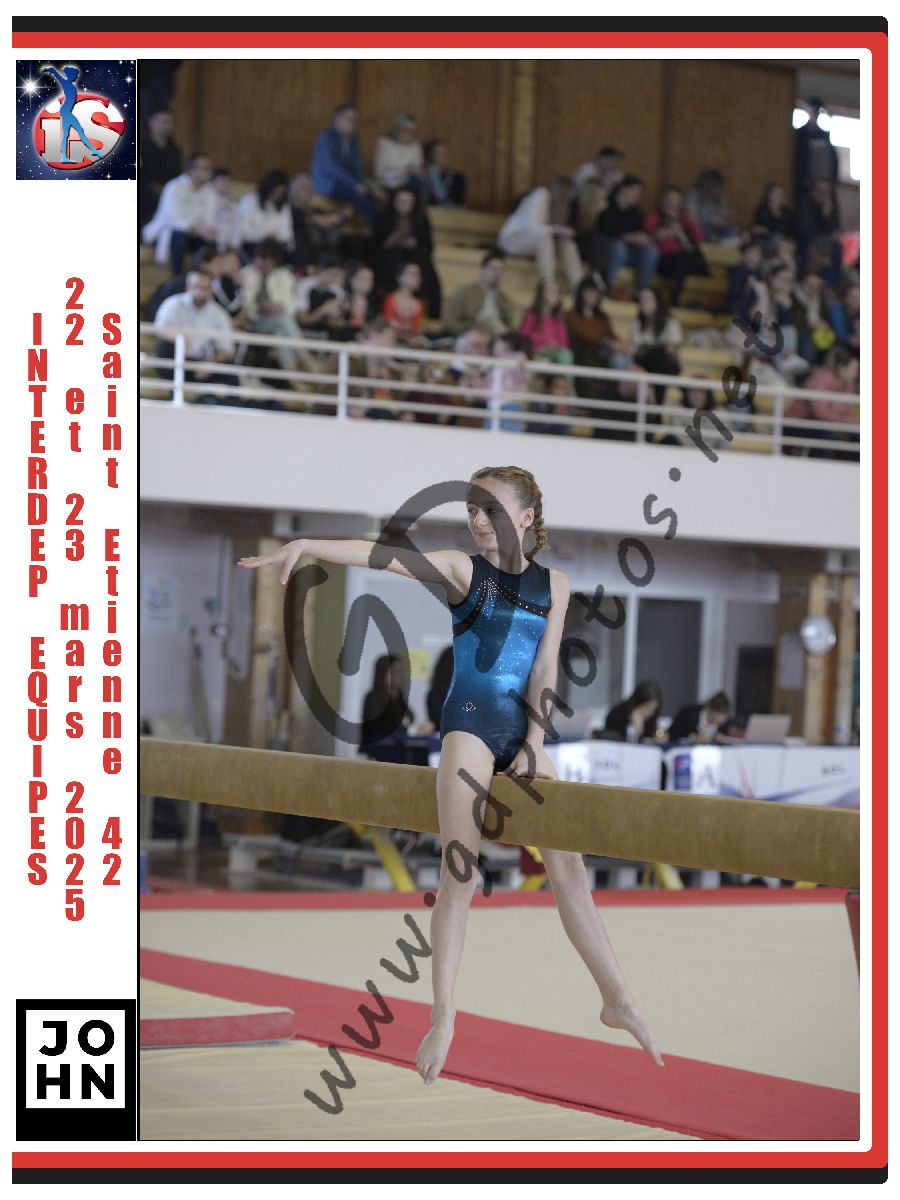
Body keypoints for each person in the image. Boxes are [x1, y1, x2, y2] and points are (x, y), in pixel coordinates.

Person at [237, 466, 664, 1085]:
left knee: (570, 868)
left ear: (526, 518)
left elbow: (546, 669)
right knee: (459, 872)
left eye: (492, 510)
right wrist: (307, 546)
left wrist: (534, 744)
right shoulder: (464, 570)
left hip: (523, 733)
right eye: (472, 509)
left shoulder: (556, 584)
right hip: (469, 725)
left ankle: (616, 999)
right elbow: (383, 556)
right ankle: (443, 1015)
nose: (477, 520)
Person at [153, 270, 236, 401]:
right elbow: (160, 328)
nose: (199, 291)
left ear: (211, 289)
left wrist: (210, 362)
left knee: (231, 369)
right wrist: (180, 339)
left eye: (204, 287)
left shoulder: (219, 314)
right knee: (166, 347)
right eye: (196, 286)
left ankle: (233, 405)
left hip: (203, 363)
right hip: (176, 359)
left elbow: (227, 349)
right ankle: (174, 399)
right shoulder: (173, 303)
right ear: (188, 286)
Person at [239, 239, 311, 390]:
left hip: (276, 322)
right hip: (253, 322)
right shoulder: (246, 273)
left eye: (269, 260)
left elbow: (290, 307)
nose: (264, 263)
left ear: (275, 261)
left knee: (280, 330)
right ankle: (307, 359)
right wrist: (260, 308)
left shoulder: (284, 275)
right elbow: (244, 304)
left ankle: (294, 379)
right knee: (283, 321)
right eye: (261, 258)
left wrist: (278, 307)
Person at [497, 180, 584, 291]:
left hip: (533, 241)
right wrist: (557, 229)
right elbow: (531, 227)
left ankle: (579, 286)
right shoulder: (540, 195)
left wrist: (560, 231)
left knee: (566, 241)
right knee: (544, 237)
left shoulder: (555, 209)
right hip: (513, 238)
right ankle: (549, 285)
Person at [141, 152, 219, 273]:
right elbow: (173, 219)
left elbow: (209, 219)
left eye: (210, 168)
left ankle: (202, 277)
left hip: (195, 234)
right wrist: (198, 230)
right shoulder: (174, 187)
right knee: (179, 236)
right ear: (191, 170)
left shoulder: (210, 192)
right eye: (205, 168)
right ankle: (177, 276)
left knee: (211, 242)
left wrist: (209, 230)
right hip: (166, 233)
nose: (209, 172)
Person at [372, 186, 442, 318]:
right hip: (388, 259)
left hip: (415, 258)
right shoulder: (384, 217)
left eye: (409, 202)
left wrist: (414, 244)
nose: (405, 205)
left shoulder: (421, 219)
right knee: (393, 257)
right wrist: (392, 241)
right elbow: (374, 245)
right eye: (402, 201)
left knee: (423, 264)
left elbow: (429, 247)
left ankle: (425, 308)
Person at [310, 102, 375, 221]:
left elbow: (357, 164)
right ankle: (376, 230)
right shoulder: (326, 138)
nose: (354, 123)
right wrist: (354, 184)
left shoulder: (353, 139)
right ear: (337, 120)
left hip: (346, 183)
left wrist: (361, 182)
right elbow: (332, 168)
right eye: (350, 119)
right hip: (330, 183)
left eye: (355, 120)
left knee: (372, 195)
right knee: (361, 199)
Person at [644, 186, 708, 305]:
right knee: (685, 259)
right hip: (663, 259)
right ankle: (673, 298)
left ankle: (675, 296)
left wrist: (692, 221)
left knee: (687, 258)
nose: (672, 202)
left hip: (683, 260)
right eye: (670, 199)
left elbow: (700, 239)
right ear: (663, 200)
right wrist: (669, 232)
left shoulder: (684, 219)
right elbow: (649, 236)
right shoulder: (654, 216)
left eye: (676, 200)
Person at [596, 175, 659, 296]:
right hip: (607, 250)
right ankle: (607, 287)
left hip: (629, 253)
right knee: (619, 247)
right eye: (635, 192)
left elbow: (639, 232)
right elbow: (603, 229)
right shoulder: (607, 204)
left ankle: (640, 292)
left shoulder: (636, 212)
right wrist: (628, 237)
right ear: (624, 188)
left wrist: (642, 238)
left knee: (651, 251)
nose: (638, 196)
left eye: (640, 194)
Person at [444, 250, 516, 336]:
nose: (497, 273)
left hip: (495, 338)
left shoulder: (505, 300)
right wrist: (474, 329)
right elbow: (450, 323)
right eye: (493, 268)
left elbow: (511, 328)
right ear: (483, 269)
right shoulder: (465, 293)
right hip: (469, 335)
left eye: (501, 269)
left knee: (495, 325)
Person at [287, 171, 346, 269]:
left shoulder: (314, 209)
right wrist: (316, 220)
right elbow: (299, 219)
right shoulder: (288, 210)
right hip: (303, 250)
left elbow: (334, 218)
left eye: (311, 189)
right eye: (305, 189)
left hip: (324, 249)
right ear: (295, 192)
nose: (310, 192)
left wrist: (336, 218)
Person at [359, 654, 415, 754]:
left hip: (396, 748)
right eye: (396, 672)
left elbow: (410, 718)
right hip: (377, 749)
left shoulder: (399, 698)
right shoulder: (372, 698)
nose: (401, 676)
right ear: (383, 674)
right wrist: (410, 730)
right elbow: (378, 727)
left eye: (402, 672)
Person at [793, 96, 839, 207]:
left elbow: (832, 160)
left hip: (823, 185)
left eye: (816, 110)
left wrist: (829, 183)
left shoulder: (824, 136)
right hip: (804, 185)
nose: (814, 113)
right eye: (812, 109)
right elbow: (797, 159)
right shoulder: (799, 134)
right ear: (807, 110)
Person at [237, 169, 294, 257]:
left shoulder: (284, 207)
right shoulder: (249, 200)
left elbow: (287, 236)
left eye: (280, 192)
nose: (277, 195)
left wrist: (276, 239)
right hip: (252, 245)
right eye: (275, 191)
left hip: (276, 248)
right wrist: (264, 237)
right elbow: (243, 231)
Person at [139, 109, 183, 225]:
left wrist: (167, 188)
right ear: (151, 122)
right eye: (162, 121)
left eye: (169, 122)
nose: (166, 126)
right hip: (145, 190)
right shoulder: (140, 145)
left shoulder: (175, 150)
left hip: (167, 190)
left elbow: (177, 174)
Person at [373, 112, 425, 191]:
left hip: (409, 185)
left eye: (413, 131)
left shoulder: (415, 146)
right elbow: (379, 174)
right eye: (406, 129)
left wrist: (413, 172)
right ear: (397, 128)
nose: (409, 134)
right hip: (387, 186)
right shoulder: (383, 143)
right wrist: (403, 172)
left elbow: (419, 173)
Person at [684, 168, 738, 243]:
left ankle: (723, 243)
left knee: (732, 230)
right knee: (704, 230)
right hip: (702, 227)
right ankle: (717, 242)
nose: (719, 190)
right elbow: (692, 219)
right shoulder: (694, 195)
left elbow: (722, 217)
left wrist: (728, 217)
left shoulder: (721, 199)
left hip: (717, 229)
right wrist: (712, 221)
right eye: (717, 187)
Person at [382, 261, 426, 341]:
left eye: (418, 275)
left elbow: (417, 327)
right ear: (400, 277)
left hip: (411, 340)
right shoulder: (391, 299)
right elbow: (388, 321)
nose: (417, 278)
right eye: (413, 274)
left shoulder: (418, 303)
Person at [667, 692, 732, 743]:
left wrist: (721, 738)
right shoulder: (688, 714)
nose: (723, 720)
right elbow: (672, 734)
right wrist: (692, 737)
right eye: (718, 715)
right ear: (710, 709)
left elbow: (725, 737)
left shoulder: (724, 725)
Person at [749, 182, 794, 253]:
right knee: (776, 238)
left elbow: (788, 230)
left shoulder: (787, 212)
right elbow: (756, 229)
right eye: (777, 193)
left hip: (782, 241)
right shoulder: (762, 210)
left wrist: (768, 230)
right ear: (769, 195)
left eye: (781, 194)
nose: (780, 196)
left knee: (782, 240)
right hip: (764, 241)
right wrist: (768, 231)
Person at [423, 139, 466, 207]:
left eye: (444, 152)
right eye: (438, 152)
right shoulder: (422, 175)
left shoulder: (456, 176)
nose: (441, 155)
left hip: (449, 211)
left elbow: (459, 202)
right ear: (429, 154)